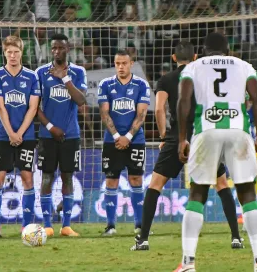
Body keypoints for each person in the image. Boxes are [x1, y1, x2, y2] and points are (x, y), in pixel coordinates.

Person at [131, 41, 244, 251]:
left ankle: (143, 239)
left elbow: (158, 110)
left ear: (174, 58)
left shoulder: (166, 79)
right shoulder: (205, 79)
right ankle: (236, 237)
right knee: (221, 184)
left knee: (155, 185)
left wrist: (164, 135)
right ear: (194, 58)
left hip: (176, 137)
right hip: (204, 136)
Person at [174, 33, 257, 271]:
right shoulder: (244, 66)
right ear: (228, 51)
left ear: (204, 51)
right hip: (238, 131)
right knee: (247, 193)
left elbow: (183, 101)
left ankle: (188, 262)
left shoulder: (193, 67)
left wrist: (181, 139)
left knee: (197, 192)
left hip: (206, 130)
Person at [36, 33, 86, 237]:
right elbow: (35, 107)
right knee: (47, 178)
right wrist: (50, 127)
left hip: (71, 135)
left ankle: (66, 226)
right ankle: (47, 224)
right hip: (48, 136)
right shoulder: (40, 72)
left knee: (67, 177)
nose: (57, 51)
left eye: (61, 48)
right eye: (54, 48)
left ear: (68, 49)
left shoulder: (78, 72)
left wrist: (64, 78)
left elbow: (81, 100)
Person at [0, 36, 40, 237]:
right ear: (4, 53)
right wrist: (11, 132)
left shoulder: (31, 76)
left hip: (26, 136)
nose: (12, 56)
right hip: (3, 135)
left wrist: (19, 133)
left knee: (27, 177)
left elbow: (33, 107)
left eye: (16, 52)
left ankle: (27, 226)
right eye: (9, 52)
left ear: (21, 53)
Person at [97, 49, 149, 236]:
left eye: (124, 63)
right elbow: (104, 113)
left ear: (131, 64)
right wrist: (117, 136)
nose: (120, 67)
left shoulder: (141, 85)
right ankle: (110, 226)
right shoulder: (105, 84)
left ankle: (140, 225)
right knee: (111, 180)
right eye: (117, 63)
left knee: (136, 179)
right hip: (112, 141)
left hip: (135, 141)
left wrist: (128, 136)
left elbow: (141, 114)